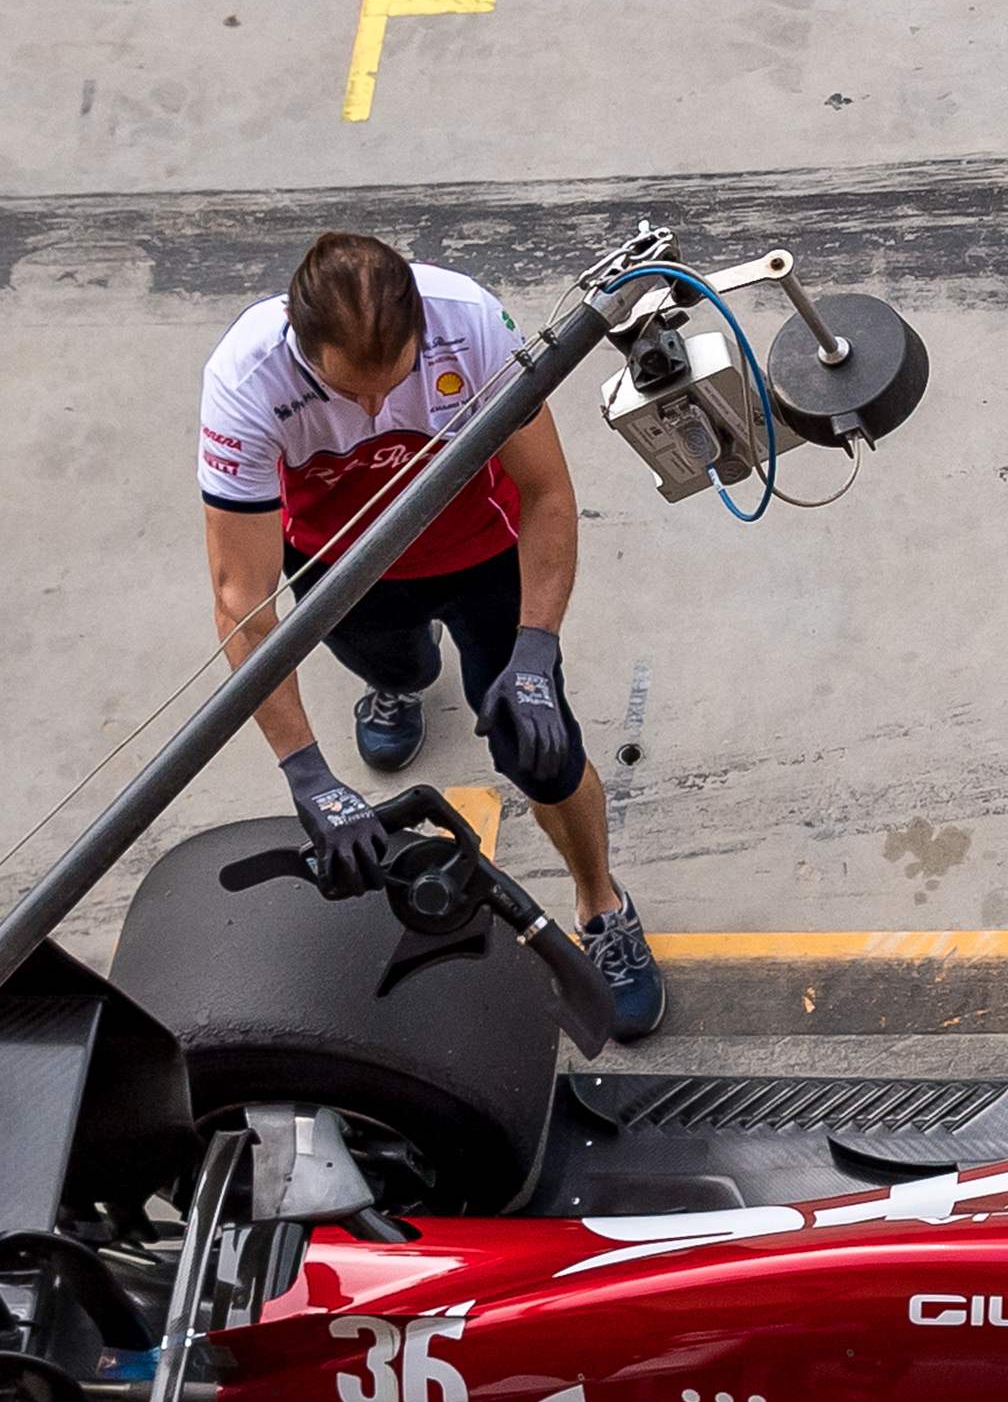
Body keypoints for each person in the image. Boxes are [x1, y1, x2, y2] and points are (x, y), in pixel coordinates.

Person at [200, 230, 667, 1039]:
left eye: (395, 383)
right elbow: (242, 595)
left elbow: (547, 492)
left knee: (542, 755)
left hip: (481, 555)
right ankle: (397, 682)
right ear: (297, 346)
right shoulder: (244, 381)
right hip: (347, 572)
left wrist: (535, 651)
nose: (378, 410)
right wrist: (306, 773)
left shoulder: (472, 322)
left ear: (423, 328)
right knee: (401, 668)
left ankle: (602, 902)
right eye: (351, 394)